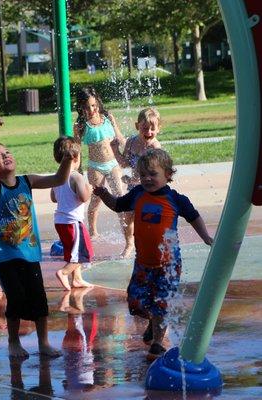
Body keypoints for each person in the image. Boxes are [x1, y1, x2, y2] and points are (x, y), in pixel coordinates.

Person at [93, 148, 213, 360]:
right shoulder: (138, 194)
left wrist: (205, 237)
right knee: (136, 303)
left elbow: (193, 216)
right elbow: (118, 205)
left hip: (168, 264)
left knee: (162, 304)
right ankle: (153, 322)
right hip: (143, 263)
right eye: (143, 174)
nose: (147, 179)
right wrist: (104, 195)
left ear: (168, 174)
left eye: (153, 174)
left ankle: (157, 343)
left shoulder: (176, 199)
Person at [0, 107, 74, 358]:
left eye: (7, 151)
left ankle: (43, 342)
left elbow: (58, 179)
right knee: (16, 298)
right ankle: (14, 342)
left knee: (39, 300)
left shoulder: (27, 181)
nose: (5, 155)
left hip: (29, 254)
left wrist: (67, 159)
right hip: (6, 256)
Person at [74, 86, 133, 258]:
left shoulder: (108, 118)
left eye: (93, 106)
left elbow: (120, 138)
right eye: (86, 107)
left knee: (120, 198)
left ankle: (129, 242)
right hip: (95, 167)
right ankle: (93, 232)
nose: (91, 110)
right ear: (81, 109)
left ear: (98, 103)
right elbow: (77, 151)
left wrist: (131, 148)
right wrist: (77, 171)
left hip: (113, 164)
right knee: (95, 200)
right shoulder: (80, 126)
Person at [112, 107, 162, 258]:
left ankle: (154, 246)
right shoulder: (132, 142)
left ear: (158, 129)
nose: (148, 132)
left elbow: (153, 173)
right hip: (135, 187)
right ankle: (129, 245)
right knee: (128, 216)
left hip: (152, 188)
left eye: (152, 129)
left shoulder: (155, 147)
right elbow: (125, 163)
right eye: (145, 128)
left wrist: (132, 179)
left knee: (149, 218)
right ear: (137, 126)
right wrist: (115, 150)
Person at [50, 136, 93, 291]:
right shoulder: (76, 176)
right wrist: (89, 189)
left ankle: (77, 279)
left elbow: (53, 198)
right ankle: (63, 272)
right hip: (73, 222)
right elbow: (83, 197)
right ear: (75, 157)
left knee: (72, 251)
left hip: (60, 221)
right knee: (83, 252)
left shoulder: (57, 176)